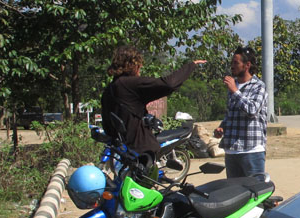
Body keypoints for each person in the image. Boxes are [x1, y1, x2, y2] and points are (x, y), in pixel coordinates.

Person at [100, 45, 205, 161]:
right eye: (139, 64)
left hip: (120, 150)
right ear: (133, 65)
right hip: (139, 152)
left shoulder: (109, 89)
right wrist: (191, 66)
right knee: (146, 179)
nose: (140, 68)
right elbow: (168, 84)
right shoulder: (131, 84)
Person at [214, 45, 268, 178]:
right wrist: (222, 127)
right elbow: (231, 115)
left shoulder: (258, 86)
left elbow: (252, 110)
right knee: (235, 195)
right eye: (232, 62)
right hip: (232, 151)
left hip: (251, 150)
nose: (232, 66)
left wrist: (235, 91)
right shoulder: (234, 86)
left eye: (236, 63)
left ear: (247, 65)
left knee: (255, 193)